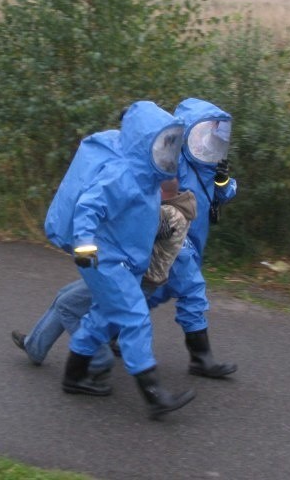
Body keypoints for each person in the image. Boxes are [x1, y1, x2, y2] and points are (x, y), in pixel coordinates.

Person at [43, 100, 195, 420]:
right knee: (134, 316)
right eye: (162, 143)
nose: (168, 153)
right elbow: (88, 208)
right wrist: (85, 249)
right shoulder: (122, 174)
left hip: (123, 259)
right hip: (105, 260)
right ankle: (154, 395)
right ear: (144, 141)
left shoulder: (147, 176)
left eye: (171, 143)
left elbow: (136, 215)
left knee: (102, 318)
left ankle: (74, 377)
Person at [12, 178, 196, 377]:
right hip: (129, 275)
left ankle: (100, 359)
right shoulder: (175, 207)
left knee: (67, 306)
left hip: (135, 281)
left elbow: (135, 230)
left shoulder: (169, 215)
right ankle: (35, 346)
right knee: (64, 296)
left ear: (158, 190)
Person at [146, 97, 238, 379]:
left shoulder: (209, 164)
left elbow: (223, 195)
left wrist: (223, 179)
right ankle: (201, 358)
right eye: (205, 131)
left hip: (194, 240)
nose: (211, 140)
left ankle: (107, 332)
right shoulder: (172, 161)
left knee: (154, 291)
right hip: (176, 238)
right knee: (191, 289)